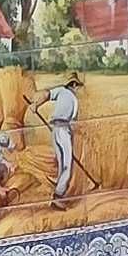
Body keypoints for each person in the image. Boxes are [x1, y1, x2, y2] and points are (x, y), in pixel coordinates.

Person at [37, 72, 82, 206]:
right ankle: (58, 196)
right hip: (64, 130)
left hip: (55, 130)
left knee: (61, 163)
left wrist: (35, 105)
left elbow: (46, 94)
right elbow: (73, 122)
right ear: (73, 84)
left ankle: (58, 187)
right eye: (77, 85)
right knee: (67, 165)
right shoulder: (74, 99)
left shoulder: (60, 91)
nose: (77, 88)